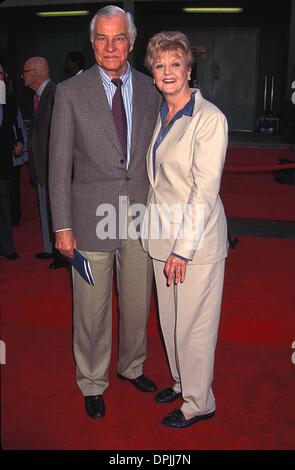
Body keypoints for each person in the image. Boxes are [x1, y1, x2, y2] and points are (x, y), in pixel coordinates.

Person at [49, 6, 161, 420]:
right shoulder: (70, 92)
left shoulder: (152, 90)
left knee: (137, 302)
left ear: (131, 43)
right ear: (91, 42)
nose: (110, 47)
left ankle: (132, 366)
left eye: (119, 39)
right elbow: (59, 164)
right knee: (90, 308)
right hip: (88, 220)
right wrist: (62, 226)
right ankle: (92, 381)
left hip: (138, 217)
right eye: (102, 38)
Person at [142, 31, 228, 428]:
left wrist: (183, 249)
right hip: (162, 237)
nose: (167, 71)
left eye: (175, 63)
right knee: (171, 322)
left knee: (194, 325)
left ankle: (198, 402)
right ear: (153, 74)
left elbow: (204, 190)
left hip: (194, 244)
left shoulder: (208, 118)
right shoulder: (161, 113)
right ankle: (180, 382)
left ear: (189, 69)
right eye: (160, 66)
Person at [23, 56, 68, 269]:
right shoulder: (42, 96)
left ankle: (61, 254)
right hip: (42, 166)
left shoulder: (54, 94)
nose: (22, 76)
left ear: (35, 73)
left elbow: (59, 135)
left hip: (52, 167)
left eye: (25, 72)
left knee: (55, 211)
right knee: (45, 209)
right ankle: (50, 248)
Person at [0, 62, 23, 260]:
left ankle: (7, 248)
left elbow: (16, 127)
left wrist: (19, 142)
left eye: (1, 73)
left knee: (5, 209)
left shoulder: (10, 102)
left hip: (4, 165)